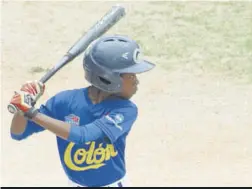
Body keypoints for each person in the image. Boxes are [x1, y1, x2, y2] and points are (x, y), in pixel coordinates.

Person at [9, 34, 155, 187]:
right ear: (109, 78)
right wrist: (23, 109)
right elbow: (18, 133)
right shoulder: (64, 102)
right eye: (131, 75)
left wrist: (32, 113)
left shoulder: (125, 110)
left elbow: (84, 135)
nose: (136, 81)